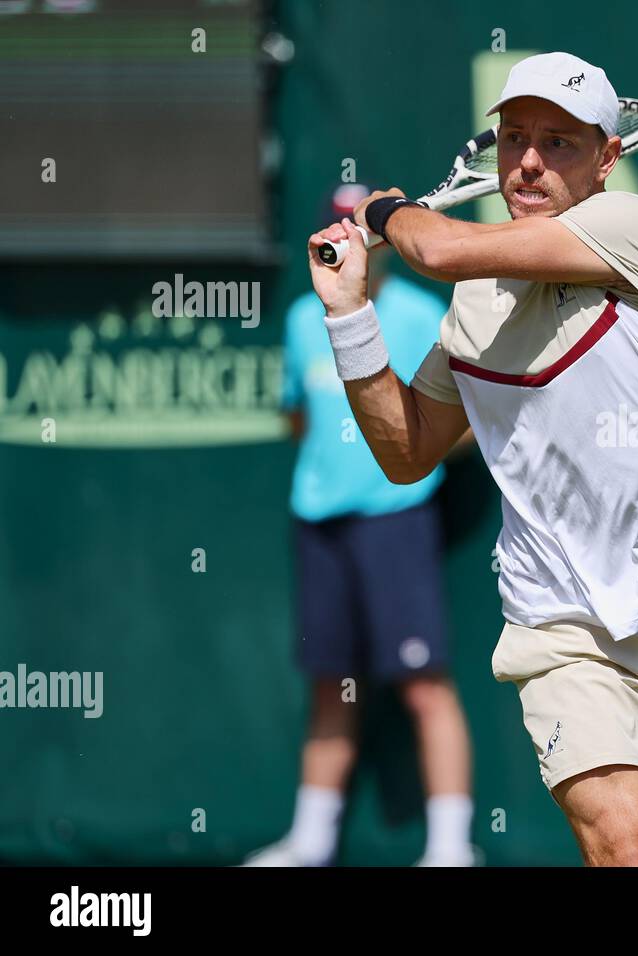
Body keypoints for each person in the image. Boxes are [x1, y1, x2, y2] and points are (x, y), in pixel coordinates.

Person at [307, 53, 638, 867]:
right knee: (625, 845)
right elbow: (405, 450)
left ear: (607, 158)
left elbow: (443, 249)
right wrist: (352, 316)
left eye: (559, 143)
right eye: (515, 138)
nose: (528, 160)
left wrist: (386, 210)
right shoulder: (477, 306)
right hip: (561, 622)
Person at [245, 185, 477, 867]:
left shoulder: (423, 314)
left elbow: (462, 420)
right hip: (320, 522)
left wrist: (412, 454)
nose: (351, 243)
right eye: (338, 230)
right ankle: (310, 843)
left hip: (395, 523)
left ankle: (450, 850)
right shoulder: (298, 318)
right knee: (330, 683)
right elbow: (299, 417)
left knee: (425, 684)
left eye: (361, 230)